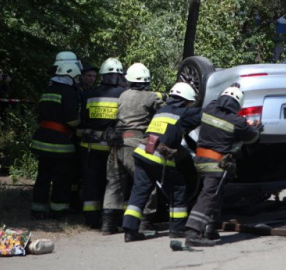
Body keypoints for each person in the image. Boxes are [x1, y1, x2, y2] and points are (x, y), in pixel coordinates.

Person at [121, 82, 202, 242]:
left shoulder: (161, 111)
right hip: (158, 157)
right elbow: (206, 115)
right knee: (178, 189)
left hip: (142, 153)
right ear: (186, 100)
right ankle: (177, 229)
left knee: (140, 191)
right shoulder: (183, 112)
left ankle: (130, 230)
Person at [184, 86, 261, 247]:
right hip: (216, 164)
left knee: (216, 195)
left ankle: (210, 229)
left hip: (200, 160)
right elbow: (252, 137)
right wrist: (255, 128)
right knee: (209, 196)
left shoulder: (210, 108)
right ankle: (193, 232)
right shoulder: (237, 121)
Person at [101, 62, 164, 235]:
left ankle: (108, 225)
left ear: (129, 80)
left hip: (116, 144)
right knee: (145, 182)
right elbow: (166, 112)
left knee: (114, 184)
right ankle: (145, 222)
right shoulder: (151, 97)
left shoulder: (123, 95)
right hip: (135, 144)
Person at [78, 58, 127, 229]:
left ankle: (91, 219)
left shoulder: (90, 94)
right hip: (112, 148)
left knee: (91, 183)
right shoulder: (124, 94)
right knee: (114, 183)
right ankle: (112, 219)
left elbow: (83, 120)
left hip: (90, 147)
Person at [30, 59, 82, 218]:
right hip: (60, 144)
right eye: (77, 78)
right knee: (62, 178)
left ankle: (37, 209)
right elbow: (72, 119)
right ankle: (58, 211)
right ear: (70, 76)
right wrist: (79, 125)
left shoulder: (47, 91)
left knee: (43, 177)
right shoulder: (69, 93)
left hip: (42, 140)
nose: (77, 81)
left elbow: (40, 115)